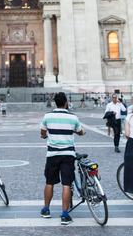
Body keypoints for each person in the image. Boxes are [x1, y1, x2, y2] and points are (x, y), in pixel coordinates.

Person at [39, 92, 85, 225]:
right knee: (66, 184)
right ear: (66, 103)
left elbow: (42, 132)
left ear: (55, 103)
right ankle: (65, 215)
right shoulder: (72, 117)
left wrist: (45, 136)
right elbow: (79, 131)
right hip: (68, 154)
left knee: (49, 182)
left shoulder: (48, 116)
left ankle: (46, 210)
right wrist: (82, 132)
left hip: (52, 154)